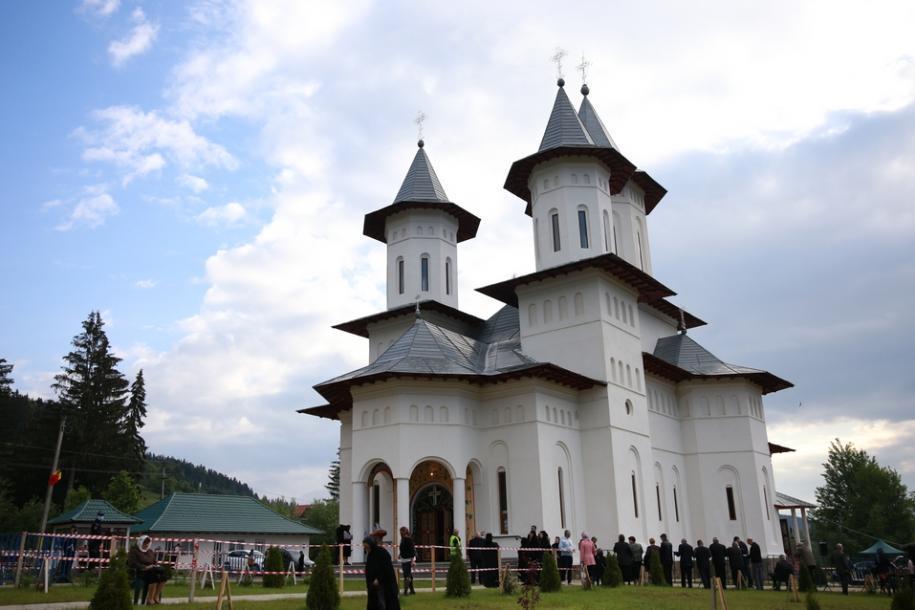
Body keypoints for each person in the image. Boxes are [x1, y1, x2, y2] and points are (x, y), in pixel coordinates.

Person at [364, 534, 400, 610]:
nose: (366, 549)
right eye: (365, 548)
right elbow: (369, 571)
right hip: (374, 587)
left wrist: (379, 579)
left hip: (386, 586)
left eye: (367, 547)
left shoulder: (382, 553)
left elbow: (387, 569)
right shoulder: (370, 556)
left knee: (385, 604)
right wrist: (369, 585)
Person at [127, 535, 156, 605]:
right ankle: (150, 599)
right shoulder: (134, 551)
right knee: (156, 577)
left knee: (161, 576)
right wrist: (144, 567)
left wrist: (155, 565)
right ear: (140, 542)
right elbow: (132, 563)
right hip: (139, 572)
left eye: (147, 543)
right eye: (144, 543)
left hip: (150, 571)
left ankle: (153, 598)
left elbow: (154, 561)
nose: (146, 545)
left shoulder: (150, 551)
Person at [398, 527, 416, 596]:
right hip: (403, 559)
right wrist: (400, 554)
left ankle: (405, 591)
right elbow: (402, 548)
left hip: (408, 559)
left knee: (406, 576)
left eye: (401, 532)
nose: (400, 533)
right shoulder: (402, 539)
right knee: (409, 575)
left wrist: (412, 561)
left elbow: (412, 550)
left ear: (404, 532)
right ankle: (412, 590)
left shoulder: (409, 540)